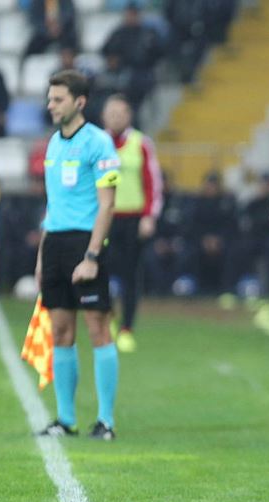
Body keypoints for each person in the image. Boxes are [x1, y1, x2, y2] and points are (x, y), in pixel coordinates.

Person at [36, 70, 121, 441]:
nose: (51, 105)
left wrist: (92, 256)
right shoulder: (53, 144)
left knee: (98, 328)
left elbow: (107, 205)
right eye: (50, 99)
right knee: (60, 331)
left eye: (58, 99)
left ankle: (106, 422)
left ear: (79, 102)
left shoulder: (99, 143)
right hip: (55, 243)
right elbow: (53, 205)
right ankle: (65, 419)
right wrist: (42, 257)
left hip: (86, 243)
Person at [102, 94, 163, 353]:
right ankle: (107, 317)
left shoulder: (141, 143)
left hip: (132, 219)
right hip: (105, 218)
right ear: (104, 116)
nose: (115, 118)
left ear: (129, 116)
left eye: (120, 113)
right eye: (111, 113)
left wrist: (149, 216)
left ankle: (127, 327)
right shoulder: (97, 142)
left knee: (130, 274)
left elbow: (152, 182)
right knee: (101, 271)